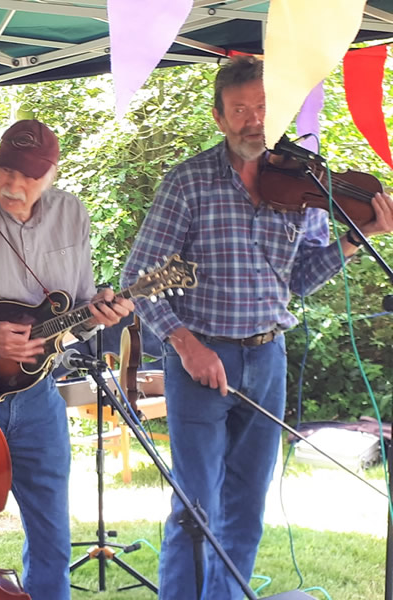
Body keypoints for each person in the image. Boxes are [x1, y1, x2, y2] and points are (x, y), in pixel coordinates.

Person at [121, 56, 393, 600]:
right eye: (240, 110)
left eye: (263, 108)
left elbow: (300, 279)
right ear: (220, 118)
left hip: (268, 358)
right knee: (196, 507)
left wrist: (353, 240)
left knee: (247, 506)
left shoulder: (303, 183)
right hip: (201, 362)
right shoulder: (189, 181)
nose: (253, 121)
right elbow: (138, 278)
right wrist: (186, 343)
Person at [0, 119, 133, 600]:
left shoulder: (72, 213)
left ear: (52, 173)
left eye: (29, 175)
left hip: (38, 395)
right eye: (6, 169)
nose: (14, 183)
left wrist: (100, 314)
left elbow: (73, 314)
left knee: (52, 529)